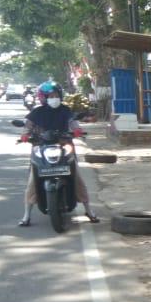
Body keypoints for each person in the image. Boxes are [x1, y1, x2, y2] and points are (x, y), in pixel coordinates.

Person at [18, 82, 99, 225]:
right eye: (50, 96)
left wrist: (77, 130)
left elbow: (73, 122)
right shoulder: (37, 112)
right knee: (32, 180)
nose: (53, 98)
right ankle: (26, 215)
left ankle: (88, 210)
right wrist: (25, 135)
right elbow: (27, 126)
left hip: (64, 144)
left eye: (56, 95)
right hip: (41, 146)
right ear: (44, 98)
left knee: (77, 177)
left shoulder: (66, 110)